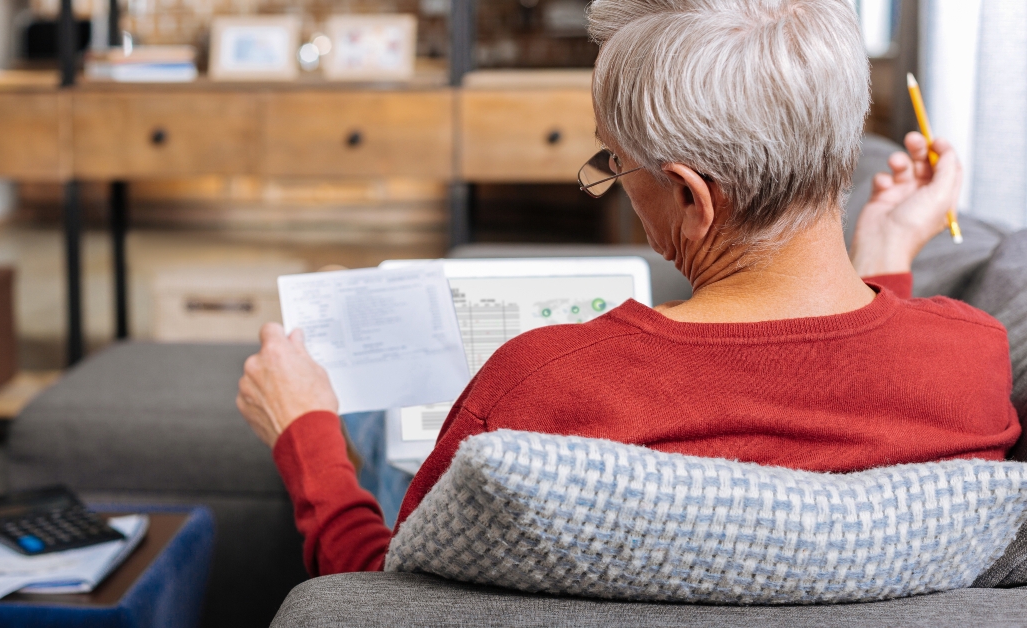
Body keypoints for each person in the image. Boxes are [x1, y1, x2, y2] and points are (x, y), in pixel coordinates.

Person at [236, 0, 1020, 577]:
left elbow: (387, 596)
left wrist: (305, 436)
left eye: (615, 163)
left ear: (692, 197)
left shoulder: (544, 389)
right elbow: (856, 386)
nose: (614, 181)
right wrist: (881, 255)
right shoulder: (972, 361)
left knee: (367, 432)